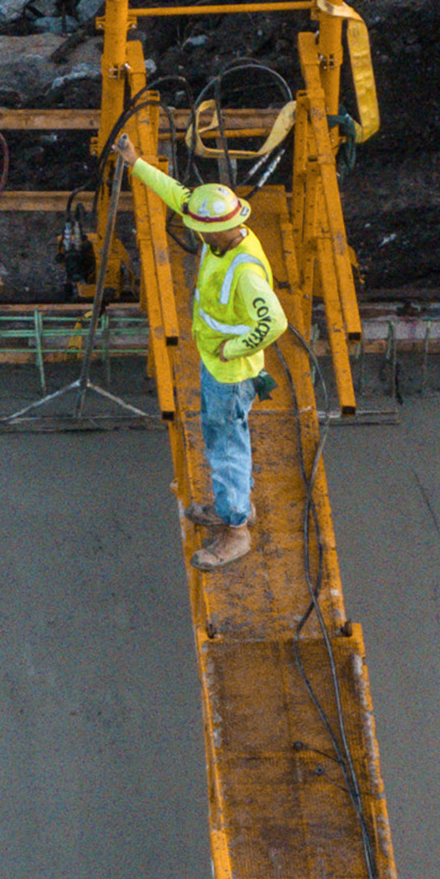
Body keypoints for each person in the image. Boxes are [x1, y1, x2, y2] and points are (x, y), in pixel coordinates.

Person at [115, 134, 287, 571]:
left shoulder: (244, 271)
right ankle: (236, 506)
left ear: (219, 227)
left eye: (202, 229)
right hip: (218, 364)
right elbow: (180, 197)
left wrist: (234, 346)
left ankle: (235, 530)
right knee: (227, 439)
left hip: (230, 374)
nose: (196, 232)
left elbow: (276, 323)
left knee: (225, 445)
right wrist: (136, 163)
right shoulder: (222, 235)